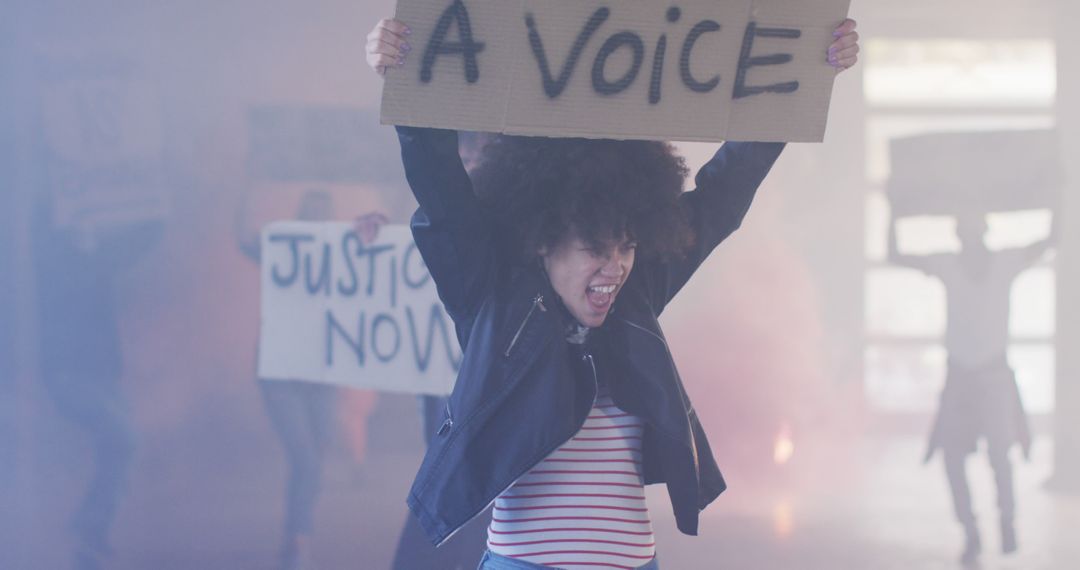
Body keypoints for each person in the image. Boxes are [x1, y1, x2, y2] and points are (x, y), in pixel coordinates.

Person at [368, 17, 859, 570]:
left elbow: (726, 190)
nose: (617, 268)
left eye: (627, 245)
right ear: (541, 241)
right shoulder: (493, 299)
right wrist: (406, 73)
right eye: (595, 248)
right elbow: (439, 184)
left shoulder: (637, 296)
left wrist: (801, 78)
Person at [888, 209, 1055, 565]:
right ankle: (973, 530)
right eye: (966, 230)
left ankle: (1005, 523)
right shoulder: (950, 265)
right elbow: (895, 255)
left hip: (991, 377)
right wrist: (893, 209)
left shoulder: (1004, 261)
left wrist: (1058, 195)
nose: (970, 237)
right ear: (960, 235)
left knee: (999, 455)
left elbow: (1050, 241)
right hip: (962, 378)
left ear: (983, 232)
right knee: (956, 459)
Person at [237, 190, 374, 570]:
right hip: (281, 374)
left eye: (322, 215)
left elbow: (381, 263)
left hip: (319, 373)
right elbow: (244, 240)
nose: (316, 220)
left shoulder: (342, 255)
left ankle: (295, 537)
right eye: (311, 214)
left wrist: (374, 230)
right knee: (306, 459)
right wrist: (240, 199)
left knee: (316, 453)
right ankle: (298, 541)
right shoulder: (279, 250)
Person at [32, 194, 163, 570]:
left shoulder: (100, 258)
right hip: (68, 375)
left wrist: (157, 210)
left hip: (103, 376)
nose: (88, 226)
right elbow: (49, 229)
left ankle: (91, 534)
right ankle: (88, 527)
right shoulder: (54, 261)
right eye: (81, 221)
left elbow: (142, 241)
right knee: (124, 439)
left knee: (123, 448)